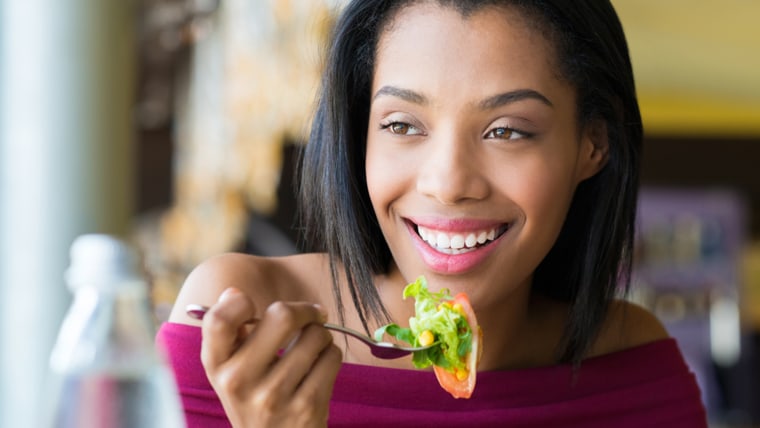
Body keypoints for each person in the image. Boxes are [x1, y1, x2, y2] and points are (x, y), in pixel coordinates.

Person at [157, 0, 708, 426]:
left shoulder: (633, 370)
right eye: (402, 125)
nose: (446, 183)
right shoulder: (236, 336)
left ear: (592, 145)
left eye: (507, 130)